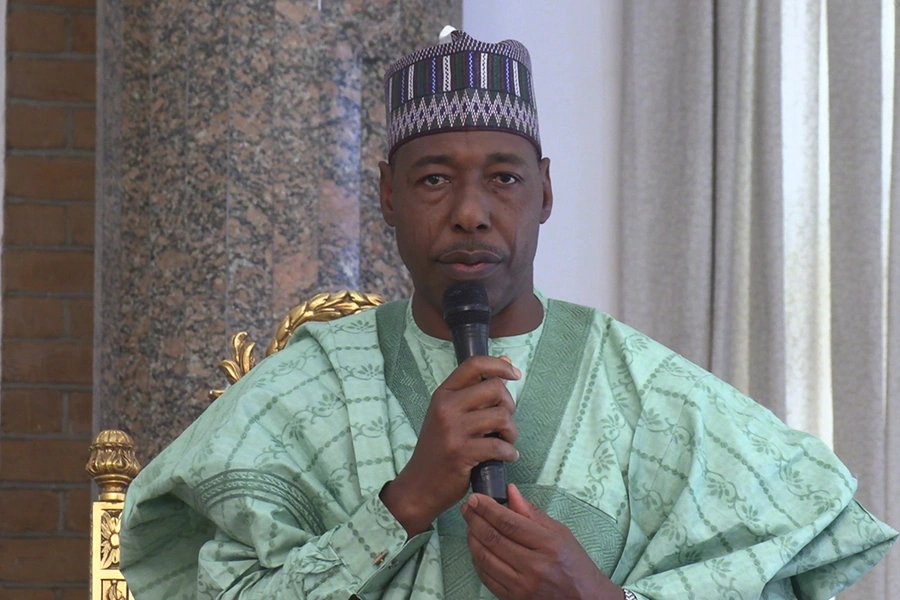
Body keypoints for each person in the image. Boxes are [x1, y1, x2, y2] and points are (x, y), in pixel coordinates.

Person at [119, 30, 896, 600]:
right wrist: (405, 504)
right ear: (387, 194)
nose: (470, 213)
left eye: (503, 178)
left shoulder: (647, 390)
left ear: (544, 191)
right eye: (432, 181)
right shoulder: (301, 391)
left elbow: (788, 558)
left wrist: (598, 598)